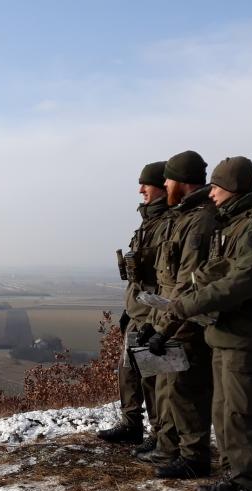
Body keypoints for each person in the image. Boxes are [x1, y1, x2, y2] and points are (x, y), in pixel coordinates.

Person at [169, 157, 252, 491]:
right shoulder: (236, 224)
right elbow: (221, 271)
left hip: (248, 335)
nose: (214, 195)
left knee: (243, 413)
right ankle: (233, 475)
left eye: (218, 188)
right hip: (227, 333)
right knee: (224, 413)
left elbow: (245, 281)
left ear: (234, 188)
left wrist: (188, 303)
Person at [139, 150, 217, 479]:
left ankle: (192, 456)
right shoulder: (184, 216)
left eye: (167, 179)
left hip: (186, 320)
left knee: (186, 390)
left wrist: (166, 327)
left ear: (181, 182)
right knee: (173, 388)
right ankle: (173, 449)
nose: (161, 185)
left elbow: (187, 283)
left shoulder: (200, 220)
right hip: (172, 316)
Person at [98, 161, 170, 452]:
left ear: (163, 187)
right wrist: (129, 310)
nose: (141, 189)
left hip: (154, 313)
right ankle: (131, 424)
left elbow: (166, 279)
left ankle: (159, 434)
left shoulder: (169, 223)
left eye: (146, 184)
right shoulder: (149, 222)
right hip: (137, 310)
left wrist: (157, 318)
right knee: (127, 371)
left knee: (153, 377)